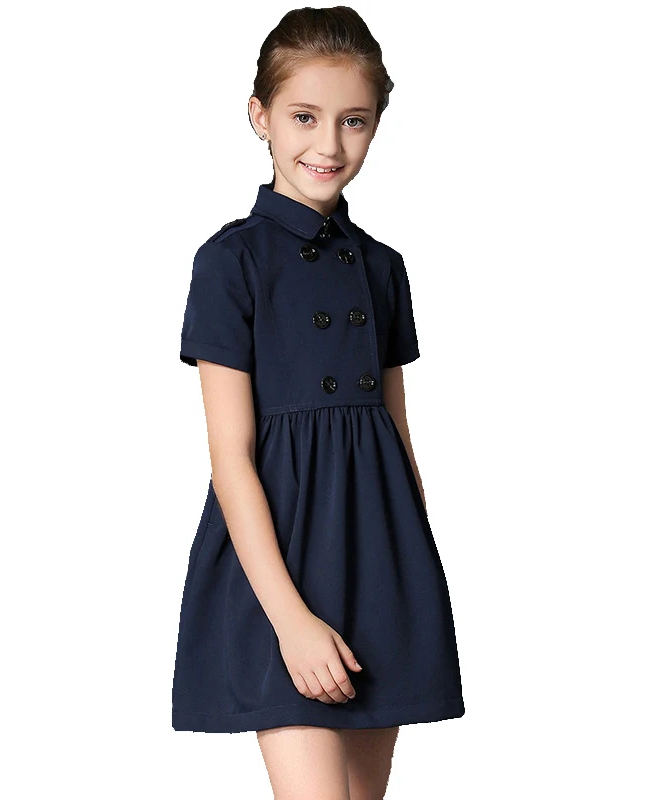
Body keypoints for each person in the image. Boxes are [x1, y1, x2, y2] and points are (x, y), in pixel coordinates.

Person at [172, 7, 465, 797]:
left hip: (379, 563)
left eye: (353, 120)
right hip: (278, 569)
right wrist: (290, 619)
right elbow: (230, 458)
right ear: (259, 116)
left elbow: (397, 435)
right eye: (305, 116)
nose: (329, 145)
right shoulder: (230, 262)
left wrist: (411, 575)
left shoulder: (383, 267)